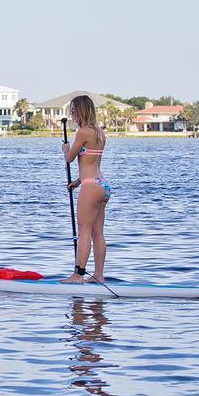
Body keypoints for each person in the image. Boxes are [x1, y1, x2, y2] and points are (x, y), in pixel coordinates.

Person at [60, 94, 111, 284]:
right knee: (98, 233)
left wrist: (66, 150)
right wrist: (77, 181)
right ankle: (98, 275)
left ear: (80, 111)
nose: (72, 114)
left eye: (73, 110)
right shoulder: (99, 132)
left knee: (84, 232)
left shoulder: (83, 132)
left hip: (91, 188)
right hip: (102, 186)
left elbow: (70, 158)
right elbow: (92, 163)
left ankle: (78, 275)